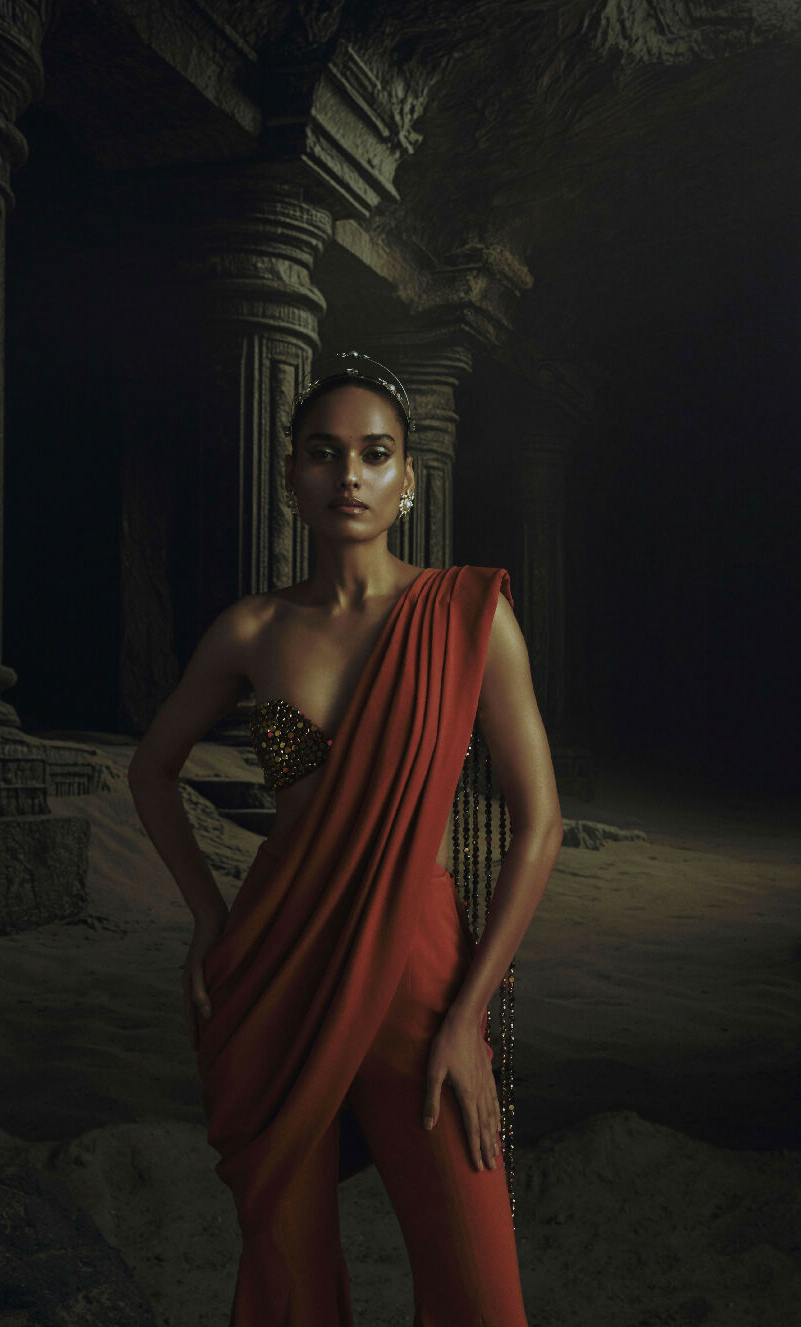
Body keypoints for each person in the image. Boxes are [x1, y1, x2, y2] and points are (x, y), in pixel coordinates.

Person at [127, 351, 563, 1325]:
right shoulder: (253, 629)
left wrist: (467, 1016)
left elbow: (539, 823)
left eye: (375, 454)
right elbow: (150, 768)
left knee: (481, 1296)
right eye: (325, 454)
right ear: (292, 476)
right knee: (287, 1280)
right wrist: (206, 914)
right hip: (275, 961)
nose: (350, 475)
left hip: (422, 972)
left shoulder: (468, 619)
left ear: (410, 479)